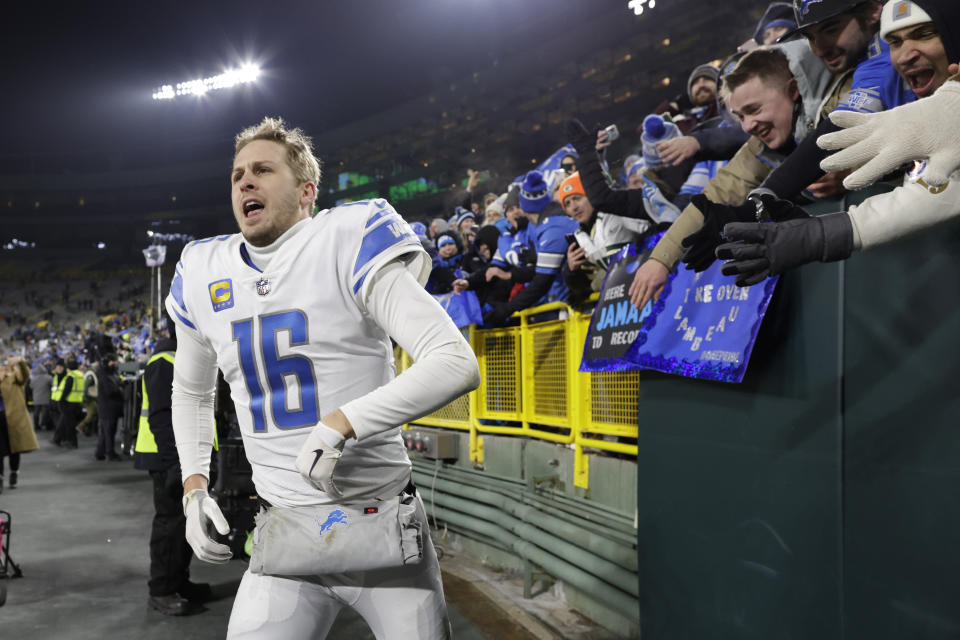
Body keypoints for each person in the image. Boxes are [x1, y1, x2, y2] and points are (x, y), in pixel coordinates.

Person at [165, 116, 479, 638]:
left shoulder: (347, 237)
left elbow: (453, 359)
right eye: (238, 173)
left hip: (381, 527)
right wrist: (194, 487)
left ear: (307, 190)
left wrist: (343, 423)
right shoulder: (203, 268)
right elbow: (193, 391)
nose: (244, 181)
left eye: (263, 169)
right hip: (285, 529)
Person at [716, 0, 960, 283]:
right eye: (894, 41)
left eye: (924, 34)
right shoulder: (877, 65)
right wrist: (773, 202)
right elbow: (938, 189)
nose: (905, 55)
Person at [133, 322, 210, 615]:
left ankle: (179, 580)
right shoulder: (164, 361)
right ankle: (162, 590)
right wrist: (176, 463)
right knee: (169, 524)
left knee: (185, 522)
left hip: (189, 457)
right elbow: (161, 417)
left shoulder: (186, 358)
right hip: (169, 458)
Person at [0, 358, 38, 493]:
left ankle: (14, 472)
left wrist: (20, 362)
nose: (3, 368)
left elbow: (25, 374)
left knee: (14, 450)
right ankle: (0, 477)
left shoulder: (16, 377)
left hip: (14, 419)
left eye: (4, 367)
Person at [95, 352, 124, 461]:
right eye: (114, 362)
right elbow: (110, 391)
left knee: (105, 432)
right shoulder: (104, 375)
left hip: (109, 408)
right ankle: (110, 453)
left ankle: (100, 452)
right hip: (108, 408)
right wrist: (120, 389)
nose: (115, 364)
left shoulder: (109, 374)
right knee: (109, 432)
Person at [52, 358, 84, 448]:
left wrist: (61, 401)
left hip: (69, 403)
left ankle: (72, 442)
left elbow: (66, 390)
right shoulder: (80, 375)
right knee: (66, 422)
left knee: (68, 424)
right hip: (78, 402)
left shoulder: (71, 376)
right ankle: (59, 439)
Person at [29, 363, 54, 432]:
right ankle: (44, 424)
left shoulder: (33, 379)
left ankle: (36, 426)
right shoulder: (49, 377)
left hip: (36, 398)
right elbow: (53, 385)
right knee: (46, 413)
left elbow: (31, 387)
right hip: (46, 398)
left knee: (36, 413)